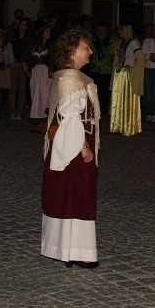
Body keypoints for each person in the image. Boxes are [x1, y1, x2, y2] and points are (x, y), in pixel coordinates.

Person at [41, 27, 100, 268]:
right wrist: (84, 146)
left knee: (71, 194)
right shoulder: (70, 78)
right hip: (74, 145)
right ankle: (78, 252)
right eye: (86, 48)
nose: (90, 52)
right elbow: (69, 117)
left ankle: (70, 249)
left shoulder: (70, 76)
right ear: (72, 51)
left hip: (73, 142)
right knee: (76, 194)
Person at [109, 23, 144, 136]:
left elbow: (140, 58)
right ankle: (119, 125)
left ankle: (129, 127)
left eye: (120, 30)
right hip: (120, 74)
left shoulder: (133, 43)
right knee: (119, 101)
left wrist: (132, 67)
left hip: (128, 76)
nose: (118, 32)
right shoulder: (120, 42)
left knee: (128, 101)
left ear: (126, 30)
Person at [28, 25, 52, 132]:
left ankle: (45, 126)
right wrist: (26, 71)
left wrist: (53, 70)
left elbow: (56, 59)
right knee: (36, 97)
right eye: (46, 31)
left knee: (46, 98)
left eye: (49, 31)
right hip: (36, 75)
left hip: (46, 75)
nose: (48, 33)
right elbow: (24, 57)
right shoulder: (34, 46)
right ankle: (40, 125)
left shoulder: (51, 46)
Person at [9, 17, 32, 120]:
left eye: (24, 25)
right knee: (12, 89)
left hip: (23, 65)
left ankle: (19, 112)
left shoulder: (29, 39)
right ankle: (12, 111)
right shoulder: (13, 37)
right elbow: (10, 49)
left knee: (22, 90)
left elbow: (28, 53)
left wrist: (22, 62)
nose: (21, 26)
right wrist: (13, 59)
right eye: (20, 24)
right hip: (13, 64)